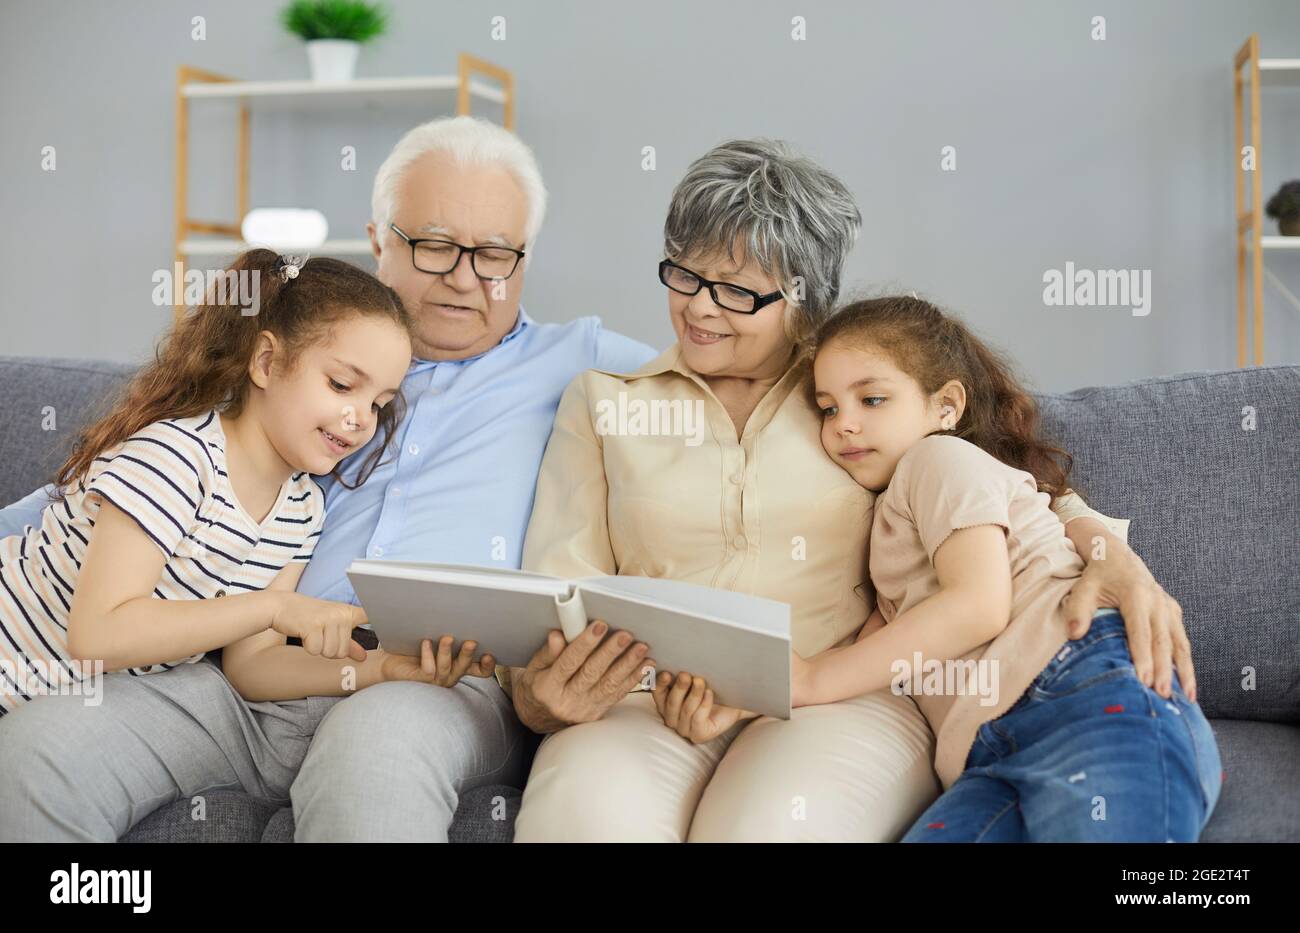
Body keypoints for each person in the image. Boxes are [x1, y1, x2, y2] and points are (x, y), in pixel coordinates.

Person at [506, 139, 1192, 842]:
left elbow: (1012, 485)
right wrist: (539, 696)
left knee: (772, 830)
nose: (699, 307)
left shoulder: (857, 397)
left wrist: (1117, 559)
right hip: (646, 700)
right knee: (581, 824)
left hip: (841, 695)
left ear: (804, 299)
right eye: (683, 274)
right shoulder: (602, 401)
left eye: (737, 290)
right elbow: (551, 603)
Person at [0, 116, 656, 842]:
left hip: (429, 680)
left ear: (524, 258)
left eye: (496, 253)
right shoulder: (278, 381)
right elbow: (103, 490)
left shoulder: (585, 356)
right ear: (378, 239)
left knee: (369, 765)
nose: (467, 276)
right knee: (44, 747)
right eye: (436, 244)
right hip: (247, 670)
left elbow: (742, 376)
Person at [790, 295, 1219, 841]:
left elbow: (977, 606)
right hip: (987, 748)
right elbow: (880, 649)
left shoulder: (937, 459)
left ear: (946, 406)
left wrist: (811, 679)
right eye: (828, 409)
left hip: (1079, 688)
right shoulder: (897, 517)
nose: (844, 425)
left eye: (871, 399)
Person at [0, 249, 419, 721]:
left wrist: (381, 668)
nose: (360, 419)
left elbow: (254, 666)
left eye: (379, 404)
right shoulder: (177, 459)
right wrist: (272, 607)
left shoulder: (301, 512)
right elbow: (98, 634)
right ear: (265, 361)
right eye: (342, 385)